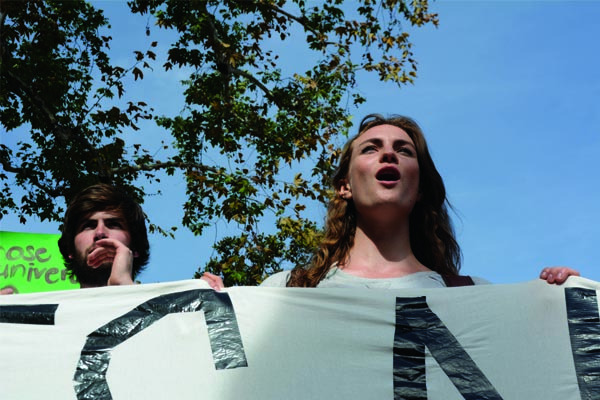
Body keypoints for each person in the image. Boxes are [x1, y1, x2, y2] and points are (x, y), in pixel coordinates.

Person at [202, 114, 579, 290]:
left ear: (419, 189)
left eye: (403, 150)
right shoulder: (286, 290)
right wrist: (206, 309)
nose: (389, 156)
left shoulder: (473, 295)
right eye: (371, 149)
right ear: (344, 187)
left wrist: (564, 308)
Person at [57, 183, 150, 288]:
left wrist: (124, 287)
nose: (100, 233)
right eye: (88, 226)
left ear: (136, 247)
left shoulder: (166, 303)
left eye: (114, 225)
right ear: (70, 249)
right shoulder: (42, 304)